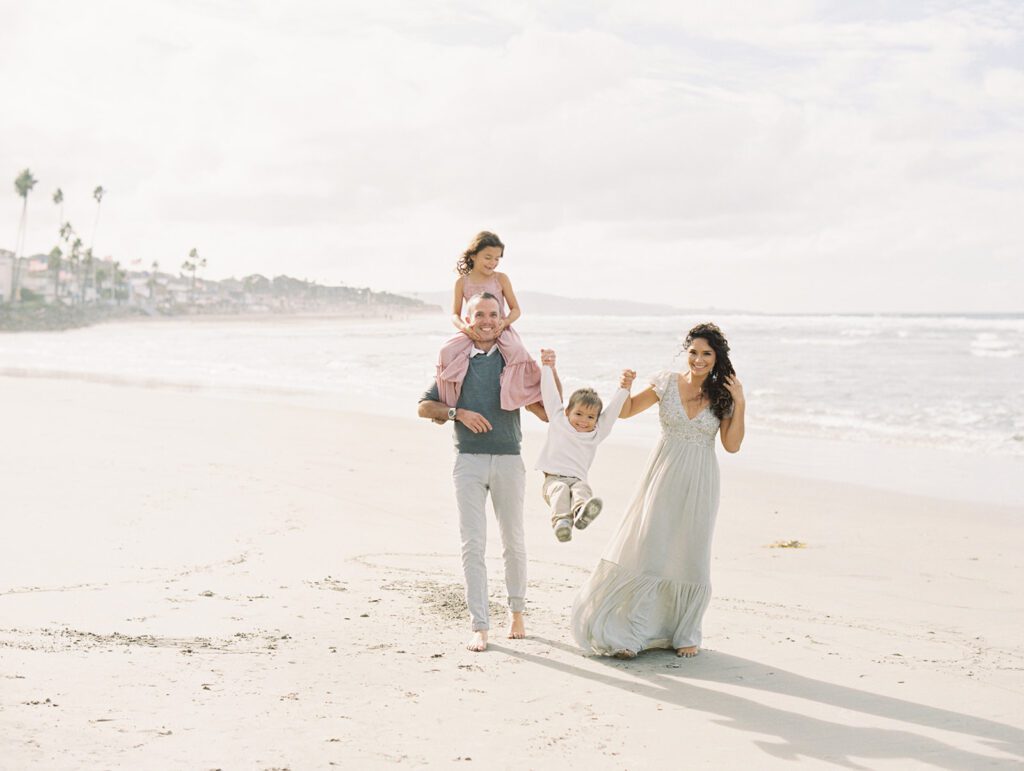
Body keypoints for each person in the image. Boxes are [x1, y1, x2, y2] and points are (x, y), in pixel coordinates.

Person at [571, 322, 745, 659]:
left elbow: (732, 445)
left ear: (716, 357)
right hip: (662, 475)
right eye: (693, 352)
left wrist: (740, 401)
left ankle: (684, 631)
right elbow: (627, 411)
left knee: (690, 551)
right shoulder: (666, 382)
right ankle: (632, 633)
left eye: (706, 353)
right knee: (651, 546)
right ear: (686, 352)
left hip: (700, 480)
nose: (698, 359)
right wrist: (624, 387)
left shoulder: (722, 395)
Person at [418, 292, 548, 653]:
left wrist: (549, 372)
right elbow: (424, 406)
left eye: (494, 314)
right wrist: (457, 413)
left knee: (514, 541)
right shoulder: (455, 362)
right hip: (469, 462)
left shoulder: (515, 362)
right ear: (469, 319)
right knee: (472, 544)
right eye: (480, 314)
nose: (488, 320)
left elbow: (549, 410)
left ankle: (517, 612)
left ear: (503, 318)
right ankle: (480, 625)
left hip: (509, 459)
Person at [436, 231, 542, 411]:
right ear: (473, 255)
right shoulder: (462, 282)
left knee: (517, 350)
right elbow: (454, 314)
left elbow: (516, 309)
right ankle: (447, 400)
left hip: (499, 327)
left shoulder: (501, 279)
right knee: (446, 351)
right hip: (472, 328)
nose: (492, 263)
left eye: (497, 259)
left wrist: (504, 322)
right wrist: (465, 328)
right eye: (488, 257)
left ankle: (527, 399)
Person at [535, 348, 633, 543]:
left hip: (577, 479)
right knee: (560, 491)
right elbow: (550, 393)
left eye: (590, 417)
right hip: (552, 480)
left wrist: (625, 387)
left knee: (582, 489)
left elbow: (613, 411)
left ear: (597, 420)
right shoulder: (558, 420)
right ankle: (562, 523)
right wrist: (547, 367)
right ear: (567, 411)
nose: (583, 420)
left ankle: (581, 513)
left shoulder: (596, 433)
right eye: (578, 414)